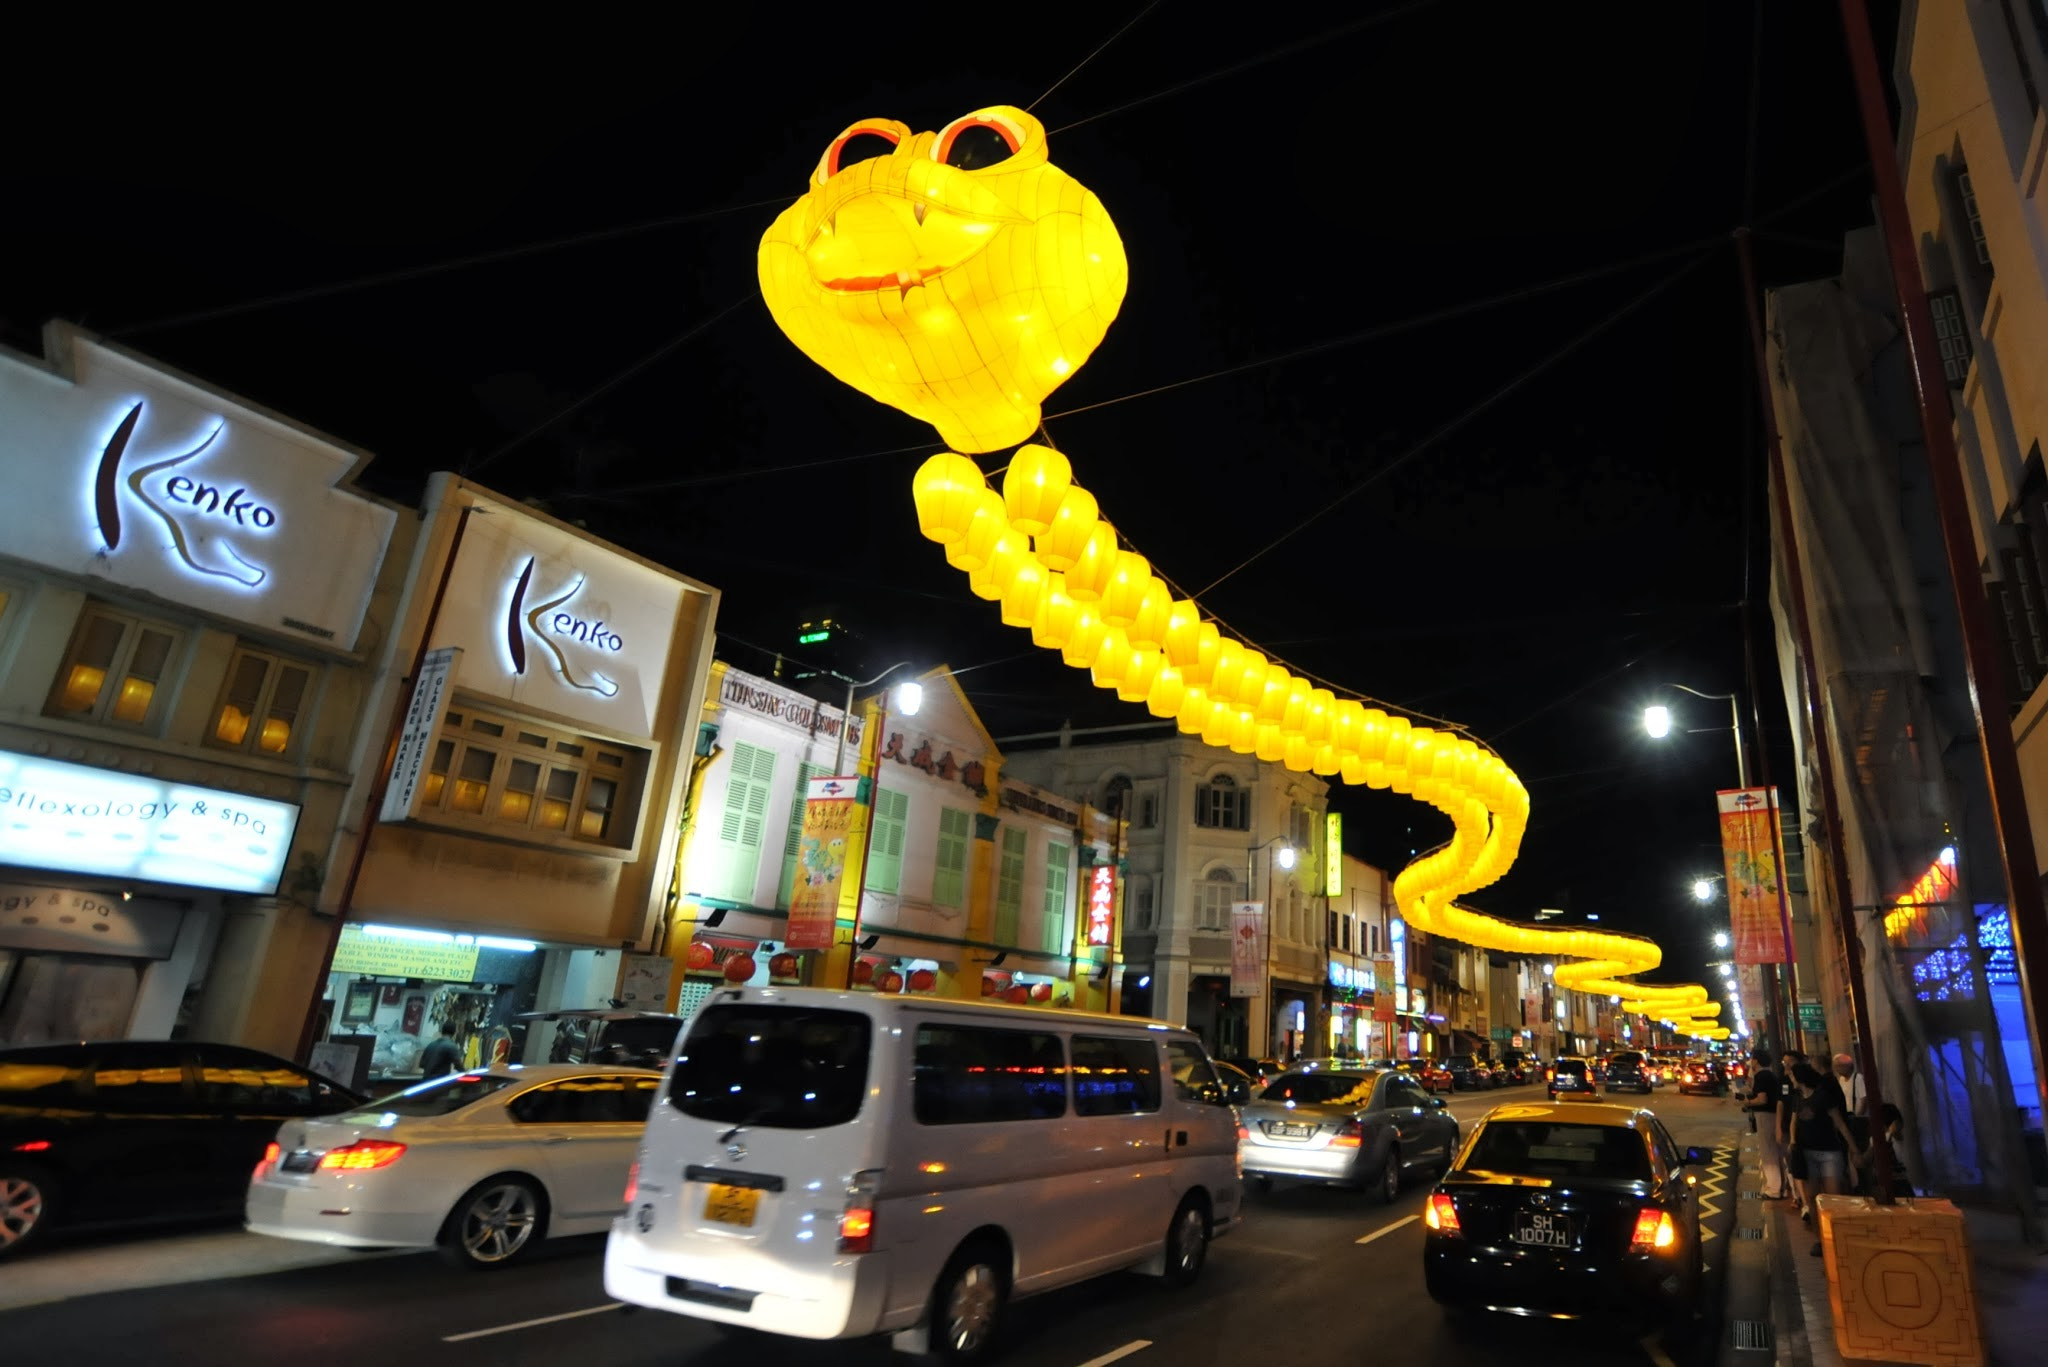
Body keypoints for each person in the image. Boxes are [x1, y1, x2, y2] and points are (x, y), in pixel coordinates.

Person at [1790, 1062, 1860, 1255]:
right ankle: (1820, 1239)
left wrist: (1854, 1150)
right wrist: (1793, 1142)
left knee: (1833, 1198)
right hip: (1807, 1154)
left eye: (1792, 1075)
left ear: (1800, 1078)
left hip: (1829, 1153)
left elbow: (1840, 1125)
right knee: (1812, 1198)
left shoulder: (1822, 1097)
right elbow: (1794, 1122)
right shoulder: (1798, 1098)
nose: (1791, 1079)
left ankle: (1839, 1237)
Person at [1743, 1047, 1788, 1199]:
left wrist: (1747, 1101)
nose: (1751, 1062)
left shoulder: (1762, 1076)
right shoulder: (1769, 1075)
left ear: (1756, 1060)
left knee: (1768, 1152)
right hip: (1772, 1115)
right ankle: (1782, 1187)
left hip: (1765, 1116)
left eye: (1752, 1059)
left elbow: (1762, 1099)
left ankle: (1774, 1189)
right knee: (1776, 1151)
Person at [1778, 1050, 1808, 1214]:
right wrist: (1778, 1127)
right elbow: (1781, 1102)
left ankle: (1806, 1200)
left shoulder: (1805, 1080)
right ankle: (1797, 1196)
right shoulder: (1784, 1081)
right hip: (1788, 1125)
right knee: (1791, 1162)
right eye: (1784, 1062)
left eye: (1790, 1062)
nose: (1787, 1065)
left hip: (1803, 1127)